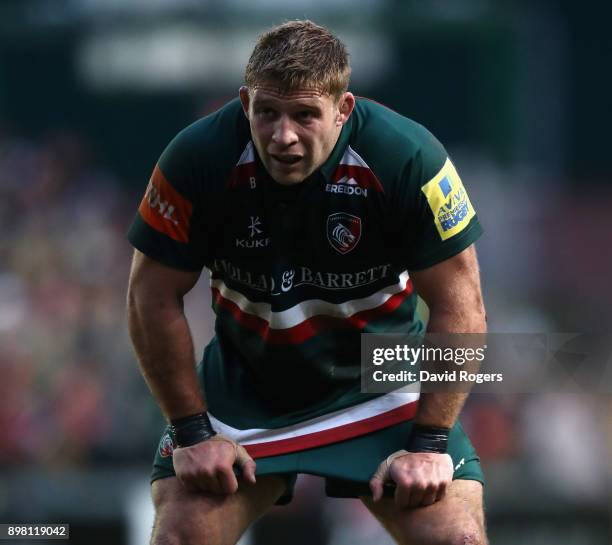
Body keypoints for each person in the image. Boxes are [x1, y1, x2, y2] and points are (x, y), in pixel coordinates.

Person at [127, 20, 488, 545]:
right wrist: (192, 431)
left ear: (343, 110)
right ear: (246, 101)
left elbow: (463, 308)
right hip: (248, 386)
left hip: (381, 380)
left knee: (456, 540)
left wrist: (430, 443)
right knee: (181, 537)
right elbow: (149, 296)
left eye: (305, 115)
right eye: (267, 112)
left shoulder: (409, 157)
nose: (283, 136)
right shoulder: (195, 158)